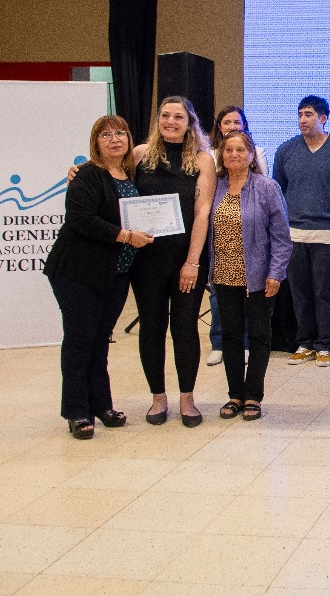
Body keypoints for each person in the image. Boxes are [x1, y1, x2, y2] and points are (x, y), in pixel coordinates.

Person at [45, 115, 154, 439]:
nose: (114, 139)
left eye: (120, 133)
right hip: (78, 272)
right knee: (80, 341)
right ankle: (77, 411)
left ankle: (102, 405)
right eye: (106, 135)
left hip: (115, 273)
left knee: (100, 341)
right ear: (96, 142)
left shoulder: (131, 174)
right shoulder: (88, 175)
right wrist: (126, 236)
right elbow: (81, 219)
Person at [131, 96, 216, 427]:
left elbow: (202, 212)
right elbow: (110, 178)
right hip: (146, 259)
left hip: (186, 257)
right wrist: (77, 170)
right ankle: (158, 398)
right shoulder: (139, 155)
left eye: (178, 116)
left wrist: (192, 262)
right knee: (152, 327)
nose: (170, 121)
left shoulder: (202, 160)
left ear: (189, 122)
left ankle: (187, 399)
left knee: (184, 327)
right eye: (165, 115)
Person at [210, 131, 291, 422]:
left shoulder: (267, 187)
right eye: (228, 150)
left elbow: (281, 237)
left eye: (240, 150)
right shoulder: (214, 186)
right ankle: (235, 394)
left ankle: (253, 395)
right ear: (221, 155)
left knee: (258, 335)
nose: (234, 154)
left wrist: (276, 273)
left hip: (259, 276)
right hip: (223, 274)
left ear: (251, 155)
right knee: (230, 336)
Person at [273, 94, 330, 367]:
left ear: (323, 118)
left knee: (324, 292)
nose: (303, 120)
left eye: (308, 114)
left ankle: (324, 345)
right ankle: (305, 343)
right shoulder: (286, 150)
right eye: (300, 115)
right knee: (300, 293)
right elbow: (278, 191)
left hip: (327, 233)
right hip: (293, 234)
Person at [206, 105, 268, 367]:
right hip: (221, 258)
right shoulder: (208, 158)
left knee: (251, 307)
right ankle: (218, 343)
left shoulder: (262, 172)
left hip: (251, 251)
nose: (231, 126)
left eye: (236, 122)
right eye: (226, 122)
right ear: (219, 127)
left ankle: (244, 344)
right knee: (218, 301)